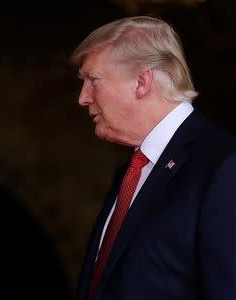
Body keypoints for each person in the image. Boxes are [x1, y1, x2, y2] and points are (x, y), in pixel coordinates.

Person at [70, 16, 236, 300]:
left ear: (142, 82)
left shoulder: (222, 166)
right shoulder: (133, 170)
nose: (83, 97)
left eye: (93, 80)